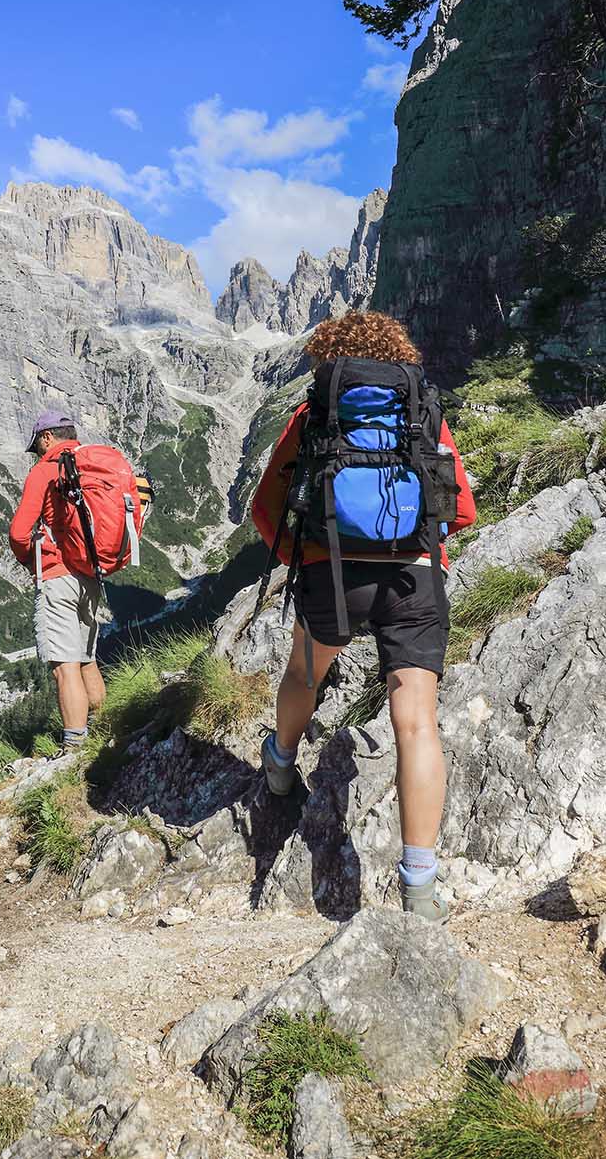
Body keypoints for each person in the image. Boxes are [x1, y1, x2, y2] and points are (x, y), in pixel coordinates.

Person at [247, 310, 476, 920]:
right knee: (417, 723)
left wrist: (311, 544)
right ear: (398, 354)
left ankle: (280, 764)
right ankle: (420, 887)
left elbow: (265, 508)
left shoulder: (315, 413)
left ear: (329, 357)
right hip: (414, 576)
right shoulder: (420, 410)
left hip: (331, 572)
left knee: (305, 674)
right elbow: (464, 510)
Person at [9, 409, 107, 754]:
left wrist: (30, 561)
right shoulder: (91, 465)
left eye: (36, 444)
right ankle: (103, 730)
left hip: (57, 577)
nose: (36, 451)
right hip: (91, 575)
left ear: (48, 437)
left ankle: (75, 749)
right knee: (86, 658)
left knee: (64, 669)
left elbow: (20, 531)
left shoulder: (46, 470)